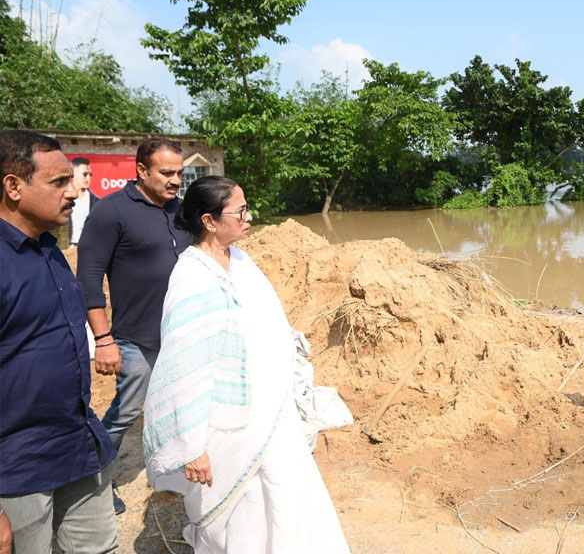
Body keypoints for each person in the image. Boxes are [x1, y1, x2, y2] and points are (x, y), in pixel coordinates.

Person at [143, 176, 351, 553]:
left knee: (286, 494)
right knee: (245, 511)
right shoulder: (192, 278)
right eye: (239, 211)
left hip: (270, 414)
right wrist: (192, 447)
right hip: (225, 425)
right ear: (208, 220)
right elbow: (182, 370)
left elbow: (268, 329)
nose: (249, 216)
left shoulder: (240, 260)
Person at [0, 130, 118, 553]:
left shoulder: (48, 248)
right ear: (13, 186)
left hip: (79, 446)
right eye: (58, 182)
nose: (73, 192)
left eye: (72, 180)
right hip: (16, 469)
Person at [76, 138, 193, 513]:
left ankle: (177, 472)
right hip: (136, 337)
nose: (176, 180)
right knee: (126, 411)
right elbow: (89, 279)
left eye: (179, 173)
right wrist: (104, 338)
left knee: (182, 406)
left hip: (181, 334)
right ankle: (93, 485)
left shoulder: (184, 212)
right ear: (141, 171)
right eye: (167, 173)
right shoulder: (112, 212)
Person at [67, 156, 99, 246]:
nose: (88, 178)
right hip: (67, 249)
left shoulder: (96, 202)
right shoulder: (63, 198)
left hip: (89, 248)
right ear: (74, 173)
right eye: (85, 174)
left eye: (90, 175)